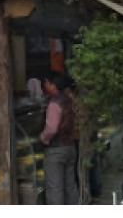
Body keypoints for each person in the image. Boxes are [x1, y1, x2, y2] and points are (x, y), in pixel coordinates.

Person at [39, 73, 79, 205]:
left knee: (55, 188)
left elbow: (51, 128)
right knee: (70, 186)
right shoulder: (68, 100)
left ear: (53, 85)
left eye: (47, 83)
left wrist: (43, 138)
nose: (45, 86)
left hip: (56, 150)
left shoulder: (54, 103)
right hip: (69, 147)